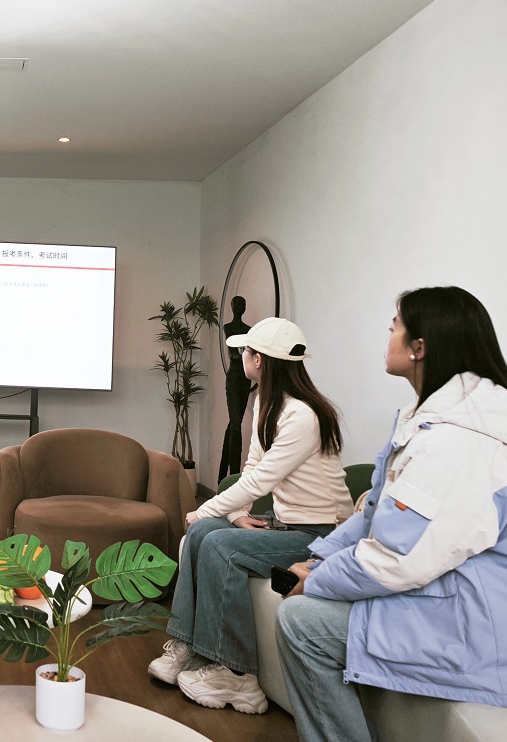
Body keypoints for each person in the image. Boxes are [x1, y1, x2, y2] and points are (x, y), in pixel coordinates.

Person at [275, 287, 507, 742]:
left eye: (395, 327)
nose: (387, 334)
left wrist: (317, 581)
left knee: (301, 622)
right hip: (473, 600)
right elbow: (376, 514)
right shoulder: (432, 422)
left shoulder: (459, 441)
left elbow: (397, 558)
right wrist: (321, 558)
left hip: (504, 638)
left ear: (419, 347)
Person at [149, 317, 352, 715]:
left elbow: (263, 478)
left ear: (258, 360)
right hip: (288, 523)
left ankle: (237, 675)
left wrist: (203, 508)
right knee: (204, 533)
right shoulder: (267, 403)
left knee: (219, 544)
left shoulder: (303, 416)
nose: (241, 355)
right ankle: (190, 647)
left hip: (322, 534)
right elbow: (254, 466)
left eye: (245, 350)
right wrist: (237, 513)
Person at [220, 295, 253, 481]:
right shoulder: (228, 327)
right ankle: (234, 479)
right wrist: (245, 356)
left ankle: (222, 477)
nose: (241, 306)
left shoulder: (249, 330)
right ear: (233, 307)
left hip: (245, 379)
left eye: (243, 304)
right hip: (233, 379)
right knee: (235, 427)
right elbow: (234, 354)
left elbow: (246, 354)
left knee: (234, 425)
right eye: (238, 304)